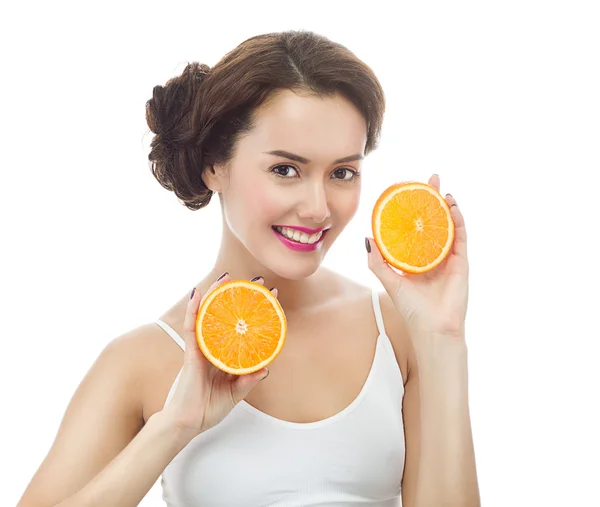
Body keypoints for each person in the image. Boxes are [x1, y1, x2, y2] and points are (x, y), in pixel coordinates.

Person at [17, 30, 480, 507]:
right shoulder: (141, 362)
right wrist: (174, 426)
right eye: (285, 170)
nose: (318, 208)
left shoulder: (398, 332)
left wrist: (443, 341)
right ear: (214, 166)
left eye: (342, 172)